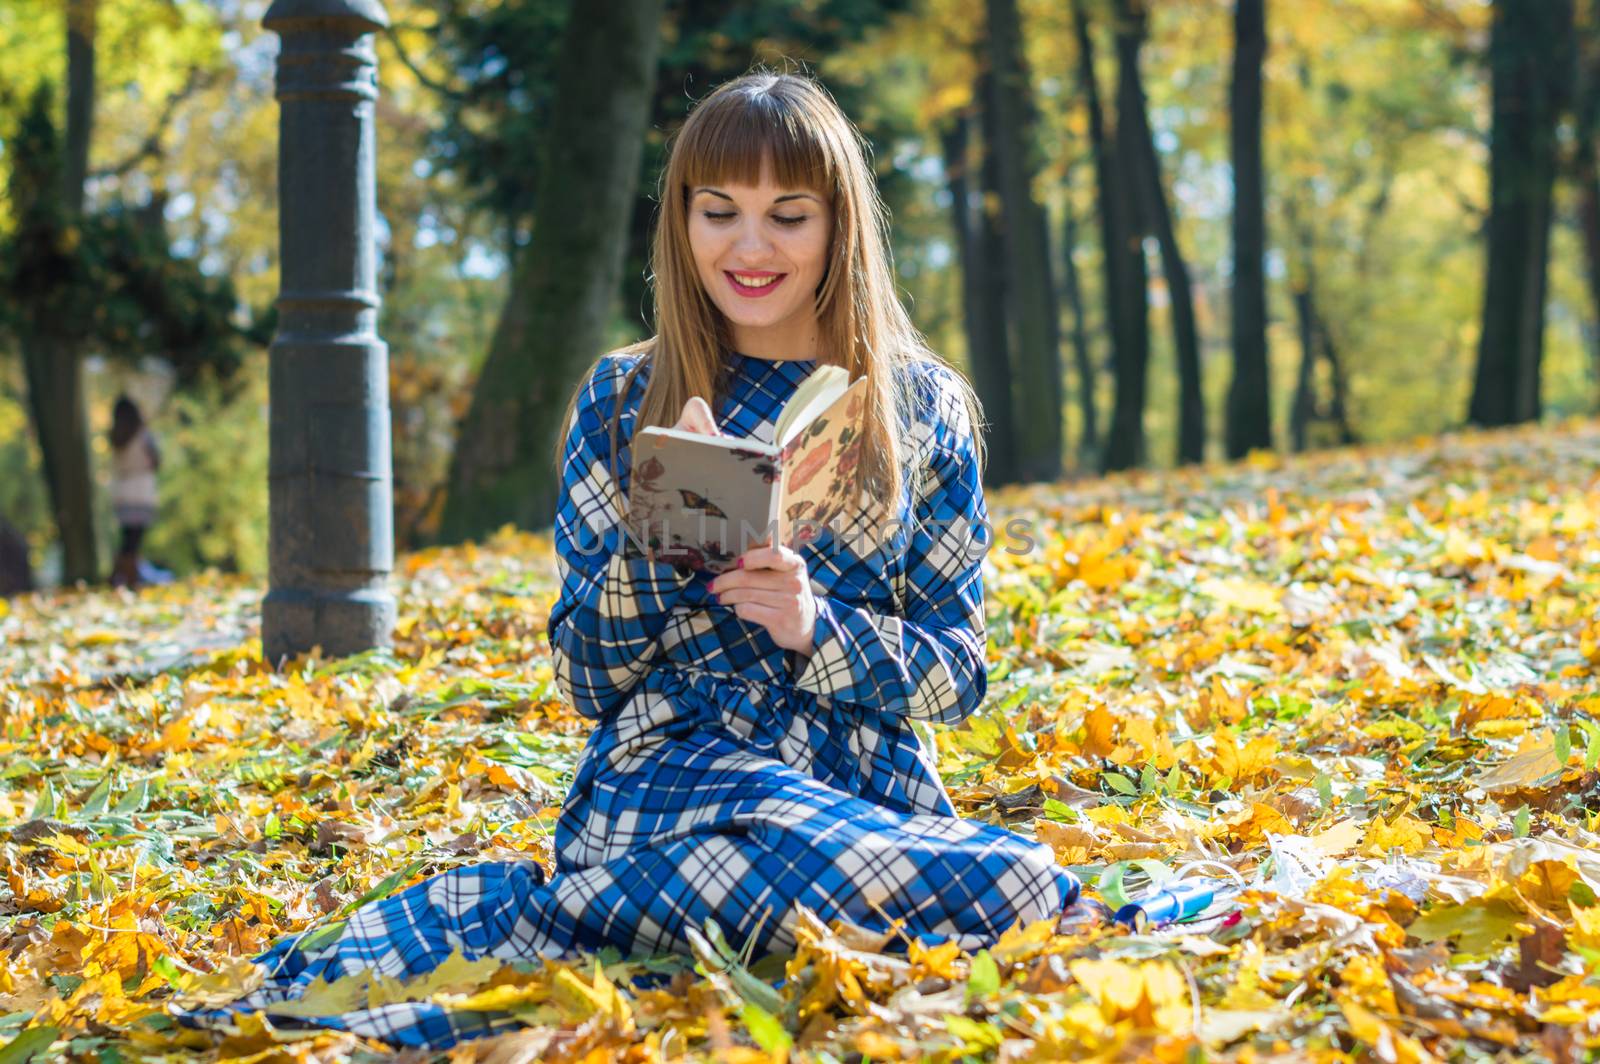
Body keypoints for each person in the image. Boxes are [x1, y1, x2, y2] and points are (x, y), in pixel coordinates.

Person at [174, 71, 1081, 1050]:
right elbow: (583, 677)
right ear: (681, 221)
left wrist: (817, 625)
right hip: (670, 772)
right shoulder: (621, 395)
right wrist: (665, 534)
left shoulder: (922, 408)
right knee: (998, 888)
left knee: (1013, 877)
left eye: (787, 215)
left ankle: (589, 918)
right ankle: (623, 906)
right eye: (718, 211)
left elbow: (958, 670)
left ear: (837, 224)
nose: (748, 246)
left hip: (856, 794)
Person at [108, 395, 161, 589]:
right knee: (134, 539)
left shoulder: (116, 436)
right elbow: (156, 460)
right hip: (141, 492)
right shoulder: (142, 434)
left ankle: (119, 576)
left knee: (127, 539)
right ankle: (129, 578)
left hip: (122, 492)